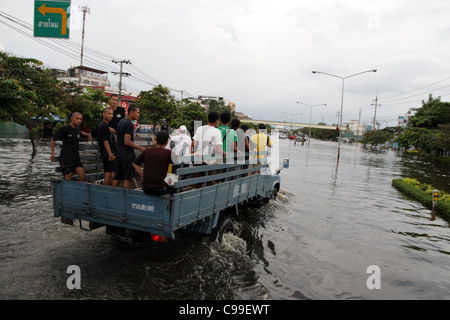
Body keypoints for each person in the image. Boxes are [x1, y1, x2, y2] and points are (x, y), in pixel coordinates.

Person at [51, 112, 92, 181]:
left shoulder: (77, 129)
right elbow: (53, 139)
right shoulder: (65, 129)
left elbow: (80, 132)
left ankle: (77, 191)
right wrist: (52, 153)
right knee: (68, 177)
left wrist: (88, 135)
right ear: (72, 119)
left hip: (76, 158)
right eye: (77, 119)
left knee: (83, 176)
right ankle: (66, 191)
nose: (79, 121)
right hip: (66, 158)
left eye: (80, 119)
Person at [133, 131, 176, 196]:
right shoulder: (168, 153)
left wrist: (143, 176)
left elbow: (134, 164)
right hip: (158, 188)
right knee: (175, 190)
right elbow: (180, 161)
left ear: (156, 140)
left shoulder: (147, 150)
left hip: (146, 188)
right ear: (167, 142)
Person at [113, 104, 145, 189]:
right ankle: (125, 200)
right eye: (137, 112)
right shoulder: (129, 124)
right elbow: (127, 141)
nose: (138, 114)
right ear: (132, 112)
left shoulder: (121, 122)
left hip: (119, 153)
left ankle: (111, 197)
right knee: (127, 179)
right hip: (127, 155)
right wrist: (140, 148)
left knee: (117, 178)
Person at [191, 111, 224, 187]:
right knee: (209, 184)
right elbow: (219, 149)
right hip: (208, 162)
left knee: (195, 184)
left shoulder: (200, 129)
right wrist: (224, 153)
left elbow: (193, 144)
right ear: (217, 121)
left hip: (197, 160)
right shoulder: (217, 132)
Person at [94, 107, 117, 186]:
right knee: (108, 173)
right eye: (108, 113)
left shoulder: (103, 125)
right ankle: (108, 191)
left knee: (110, 173)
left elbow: (93, 133)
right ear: (103, 114)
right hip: (107, 152)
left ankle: (109, 190)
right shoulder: (103, 125)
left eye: (112, 114)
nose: (110, 116)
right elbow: (105, 141)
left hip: (105, 152)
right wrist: (110, 154)